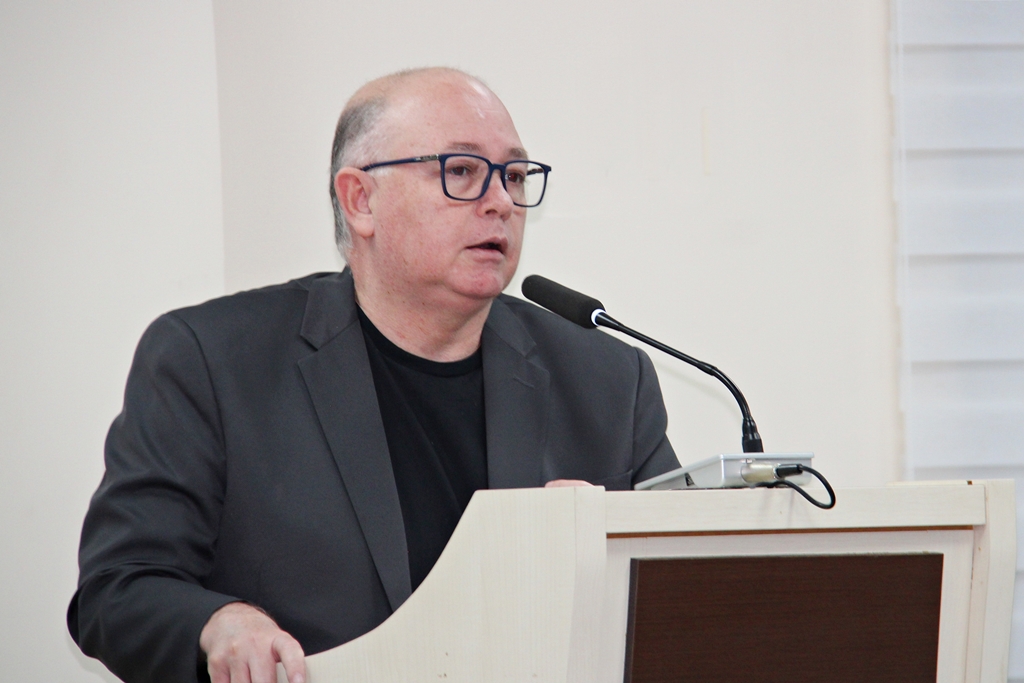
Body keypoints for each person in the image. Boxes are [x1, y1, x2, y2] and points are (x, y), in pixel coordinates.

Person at [68, 67, 678, 683]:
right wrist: (220, 623)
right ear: (360, 200)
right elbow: (119, 588)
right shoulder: (212, 362)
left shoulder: (606, 379)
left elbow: (686, 582)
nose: (500, 201)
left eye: (514, 176)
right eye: (463, 171)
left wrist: (600, 553)